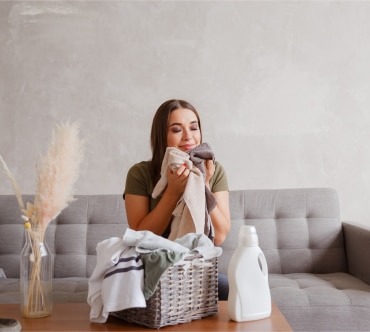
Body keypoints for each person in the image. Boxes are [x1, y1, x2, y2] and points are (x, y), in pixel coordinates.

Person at [123, 99, 230, 299]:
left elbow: (221, 235)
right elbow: (140, 235)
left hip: (195, 266)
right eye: (176, 130)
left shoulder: (213, 170)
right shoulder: (140, 173)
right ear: (161, 136)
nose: (189, 137)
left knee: (223, 285)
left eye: (193, 127)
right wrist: (172, 192)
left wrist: (204, 184)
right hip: (153, 266)